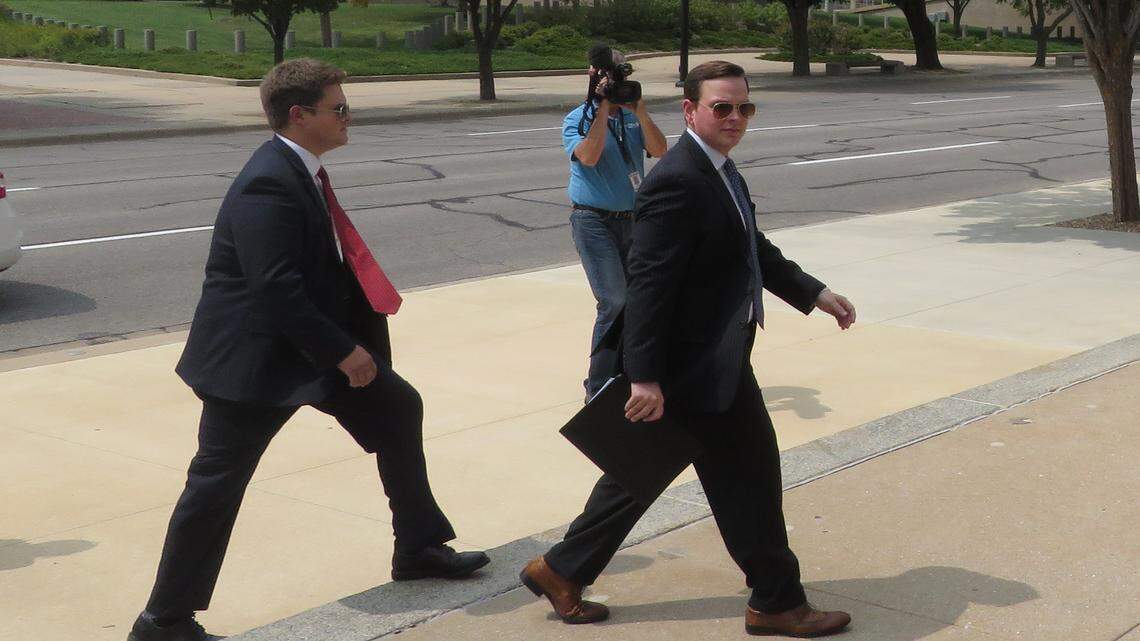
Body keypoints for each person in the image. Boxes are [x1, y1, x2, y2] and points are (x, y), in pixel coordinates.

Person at [127, 58, 488, 641]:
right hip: (255, 365)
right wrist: (344, 352)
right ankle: (162, 622)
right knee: (216, 485)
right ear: (299, 115)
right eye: (338, 108)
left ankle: (419, 547)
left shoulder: (301, 170)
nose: (349, 117)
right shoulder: (268, 180)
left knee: (398, 407)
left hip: (304, 351)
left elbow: (321, 272)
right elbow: (274, 287)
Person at [520, 60, 857, 638]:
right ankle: (776, 601)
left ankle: (560, 568)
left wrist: (815, 291)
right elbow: (647, 284)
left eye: (744, 107)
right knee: (745, 479)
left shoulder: (718, 170)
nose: (734, 117)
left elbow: (754, 247)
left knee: (645, 471)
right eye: (721, 107)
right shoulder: (679, 178)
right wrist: (645, 376)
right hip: (689, 368)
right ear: (691, 111)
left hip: (713, 359)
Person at [563, 45, 667, 400]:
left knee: (638, 300)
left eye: (622, 73)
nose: (616, 79)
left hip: (633, 220)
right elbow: (589, 157)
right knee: (614, 301)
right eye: (610, 73)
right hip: (593, 221)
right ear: (593, 76)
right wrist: (603, 109)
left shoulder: (632, 117)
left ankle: (629, 370)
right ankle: (598, 387)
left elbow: (661, 150)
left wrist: (640, 110)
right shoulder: (577, 118)